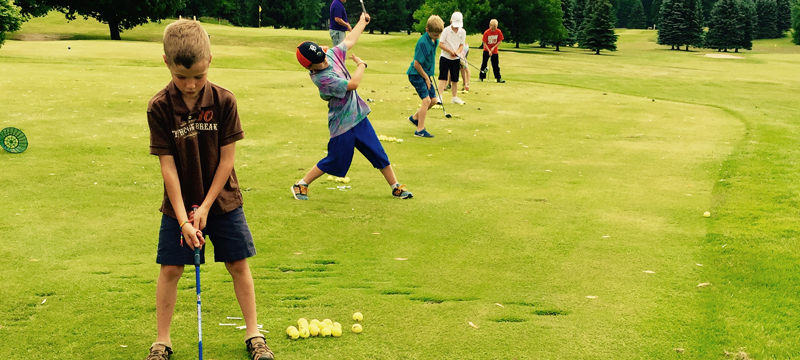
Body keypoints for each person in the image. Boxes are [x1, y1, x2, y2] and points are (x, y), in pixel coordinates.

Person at [146, 19, 273, 360]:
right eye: (181, 77)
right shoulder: (159, 107)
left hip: (223, 200)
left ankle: (254, 334)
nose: (190, 85)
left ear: (210, 62)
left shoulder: (224, 101)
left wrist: (203, 209)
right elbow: (167, 166)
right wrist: (185, 220)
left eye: (198, 77)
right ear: (166, 63)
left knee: (238, 264)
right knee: (171, 268)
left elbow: (227, 161)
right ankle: (162, 341)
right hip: (179, 205)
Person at [293, 12, 413, 201]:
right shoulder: (322, 79)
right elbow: (353, 85)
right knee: (335, 160)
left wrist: (361, 23)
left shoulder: (330, 54)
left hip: (358, 115)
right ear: (310, 67)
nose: (325, 60)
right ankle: (301, 184)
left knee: (378, 152)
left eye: (323, 55)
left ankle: (395, 186)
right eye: (320, 61)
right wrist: (361, 65)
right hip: (341, 124)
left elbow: (349, 41)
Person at [406, 15, 445, 138]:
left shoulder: (435, 41)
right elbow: (417, 64)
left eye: (439, 34)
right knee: (426, 100)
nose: (437, 37)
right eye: (435, 34)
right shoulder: (423, 43)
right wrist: (427, 78)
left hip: (425, 74)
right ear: (427, 30)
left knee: (433, 100)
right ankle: (420, 130)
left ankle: (415, 118)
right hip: (416, 74)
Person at [436, 12, 467, 105]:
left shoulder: (463, 32)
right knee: (443, 77)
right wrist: (450, 51)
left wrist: (456, 53)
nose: (456, 27)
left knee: (455, 79)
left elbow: (462, 45)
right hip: (445, 57)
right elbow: (440, 44)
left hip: (456, 58)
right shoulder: (445, 31)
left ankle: (454, 97)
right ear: (450, 21)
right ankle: (439, 97)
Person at [480, 19, 505, 83]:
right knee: (484, 64)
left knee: (495, 64)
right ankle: (481, 77)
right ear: (489, 25)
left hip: (495, 51)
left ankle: (498, 78)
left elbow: (500, 41)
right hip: (486, 50)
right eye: (492, 27)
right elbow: (484, 42)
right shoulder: (486, 32)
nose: (493, 29)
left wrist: (494, 47)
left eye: (495, 27)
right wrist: (489, 50)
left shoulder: (498, 32)